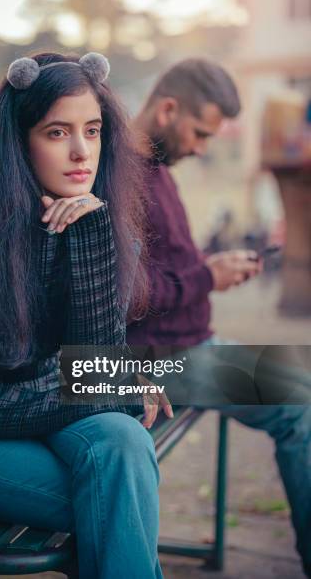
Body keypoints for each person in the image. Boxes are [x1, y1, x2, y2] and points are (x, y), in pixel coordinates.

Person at [0, 51, 166, 579]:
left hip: (44, 414)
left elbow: (96, 371)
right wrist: (112, 387)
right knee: (121, 494)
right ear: (19, 141)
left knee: (122, 443)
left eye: (92, 131)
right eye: (56, 133)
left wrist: (91, 241)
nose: (80, 152)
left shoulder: (95, 221)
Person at [126, 58, 311, 576]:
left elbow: (166, 269)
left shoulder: (157, 169)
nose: (202, 147)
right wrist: (209, 277)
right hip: (156, 363)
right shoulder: (121, 174)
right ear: (167, 109)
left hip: (190, 348)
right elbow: (128, 296)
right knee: (302, 406)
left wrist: (211, 268)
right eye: (200, 132)